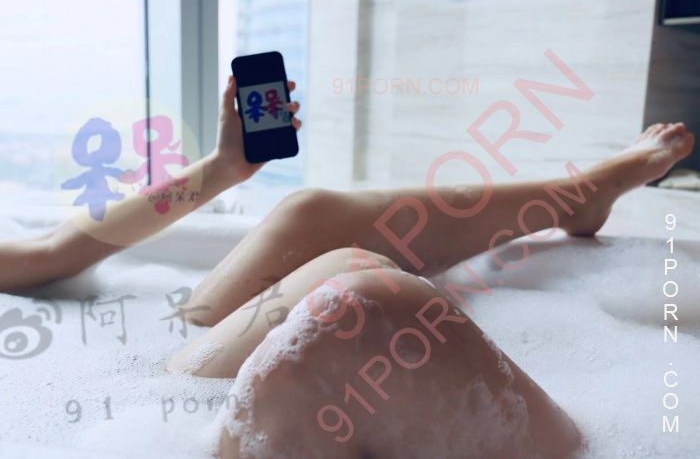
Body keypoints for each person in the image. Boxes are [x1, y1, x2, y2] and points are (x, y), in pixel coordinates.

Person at [0, 76, 694, 458]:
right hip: (110, 435)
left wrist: (222, 170)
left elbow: (49, 254)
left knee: (312, 220)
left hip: (141, 384)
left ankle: (580, 194)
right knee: (364, 309)